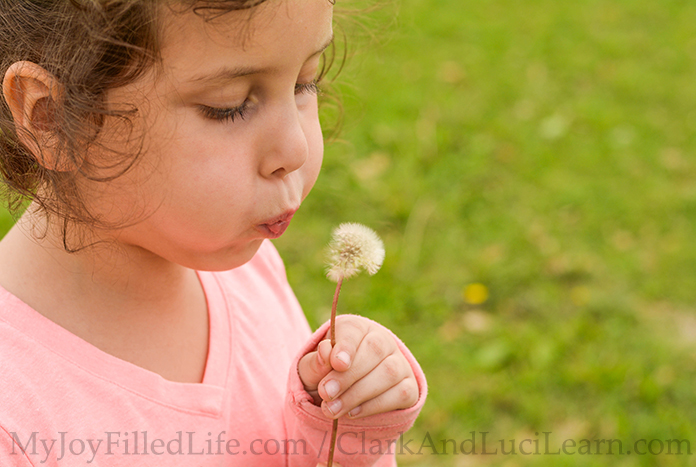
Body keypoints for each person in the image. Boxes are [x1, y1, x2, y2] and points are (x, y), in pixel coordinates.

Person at [0, 1, 427, 466]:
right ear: (53, 120)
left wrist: (341, 435)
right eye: (230, 106)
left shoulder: (248, 271)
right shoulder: (15, 413)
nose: (297, 147)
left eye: (306, 82)